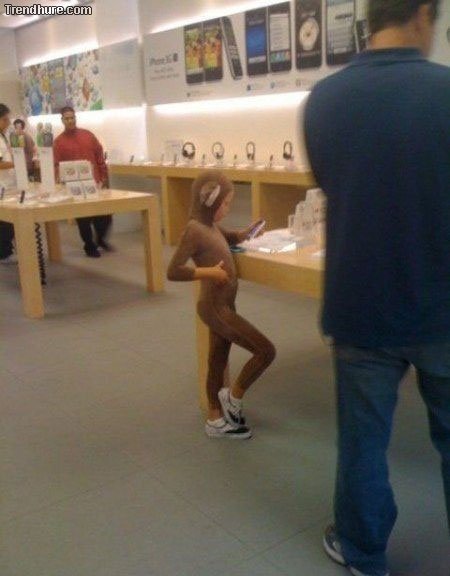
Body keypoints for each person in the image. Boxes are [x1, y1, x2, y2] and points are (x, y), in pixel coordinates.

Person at [303, 1, 449, 575]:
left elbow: (330, 183)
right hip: (443, 304)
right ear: (422, 15)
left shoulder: (324, 99)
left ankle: (364, 552)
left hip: (360, 301)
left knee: (362, 444)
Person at [167, 171, 276, 439]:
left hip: (224, 304)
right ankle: (233, 398)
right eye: (225, 203)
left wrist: (247, 233)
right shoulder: (194, 229)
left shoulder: (211, 226)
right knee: (265, 351)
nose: (227, 208)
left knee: (217, 361)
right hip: (215, 307)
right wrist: (210, 272)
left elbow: (231, 237)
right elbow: (173, 270)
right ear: (209, 199)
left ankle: (214, 418)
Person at [53, 106, 112, 258]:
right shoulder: (58, 142)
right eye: (67, 118)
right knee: (83, 219)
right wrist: (61, 182)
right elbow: (56, 165)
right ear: (62, 120)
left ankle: (100, 239)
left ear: (75, 118)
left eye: (72, 117)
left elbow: (99, 156)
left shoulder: (88, 135)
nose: (70, 121)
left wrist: (104, 176)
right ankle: (89, 246)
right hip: (75, 187)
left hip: (95, 182)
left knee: (105, 215)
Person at [0, 103, 17, 264]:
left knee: (8, 222)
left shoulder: (3, 136)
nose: (8, 123)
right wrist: (16, 163)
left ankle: (6, 250)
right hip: (2, 187)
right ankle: (4, 253)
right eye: (5, 119)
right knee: (4, 222)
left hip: (8, 185)